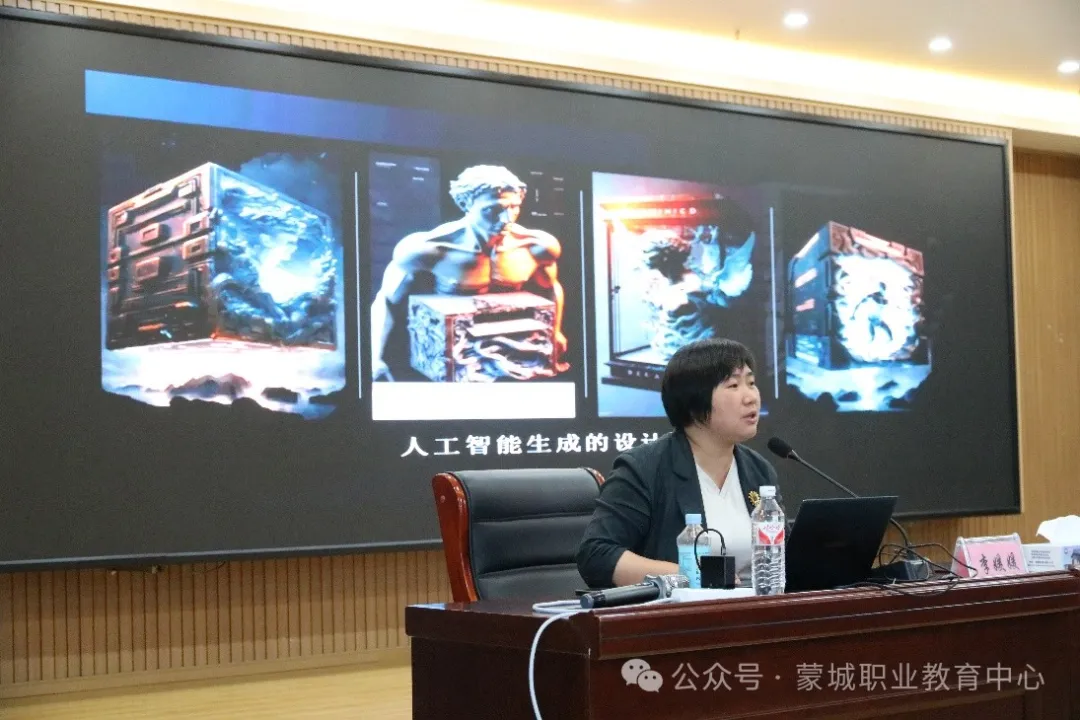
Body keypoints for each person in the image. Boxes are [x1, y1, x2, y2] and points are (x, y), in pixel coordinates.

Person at [576, 338, 778, 588]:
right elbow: (596, 555)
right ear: (694, 401)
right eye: (734, 385)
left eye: (751, 383)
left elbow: (781, 558)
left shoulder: (758, 470)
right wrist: (690, 574)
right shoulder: (644, 469)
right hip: (675, 609)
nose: (751, 398)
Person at [370, 165, 567, 381]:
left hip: (519, 352)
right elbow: (386, 300)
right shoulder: (427, 248)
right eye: (493, 210)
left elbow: (552, 287)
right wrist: (374, 356)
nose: (506, 219)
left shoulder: (537, 246)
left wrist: (556, 331)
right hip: (455, 356)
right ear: (465, 204)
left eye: (514, 207)